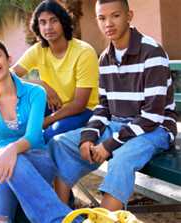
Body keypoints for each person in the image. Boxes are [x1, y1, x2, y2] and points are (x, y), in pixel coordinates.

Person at [49, 0, 177, 211]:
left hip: (156, 130)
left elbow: (152, 118)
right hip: (118, 125)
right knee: (59, 143)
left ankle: (106, 217)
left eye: (115, 16)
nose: (108, 23)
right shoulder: (105, 59)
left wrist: (108, 145)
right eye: (101, 18)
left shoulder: (152, 52)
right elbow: (104, 108)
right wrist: (88, 137)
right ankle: (58, 216)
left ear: (129, 16)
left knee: (121, 158)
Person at [0, 37, 78, 223]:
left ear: (9, 59)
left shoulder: (35, 93)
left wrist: (9, 150)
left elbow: (33, 136)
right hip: (0, 164)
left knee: (16, 161)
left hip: (37, 159)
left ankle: (61, 220)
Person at [12, 0, 99, 143]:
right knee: (19, 125)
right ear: (37, 26)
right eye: (43, 22)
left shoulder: (84, 52)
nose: (48, 27)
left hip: (85, 111)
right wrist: (41, 84)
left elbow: (79, 104)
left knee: (48, 135)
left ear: (63, 22)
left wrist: (46, 121)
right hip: (55, 107)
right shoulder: (38, 50)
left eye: (53, 21)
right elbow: (8, 77)